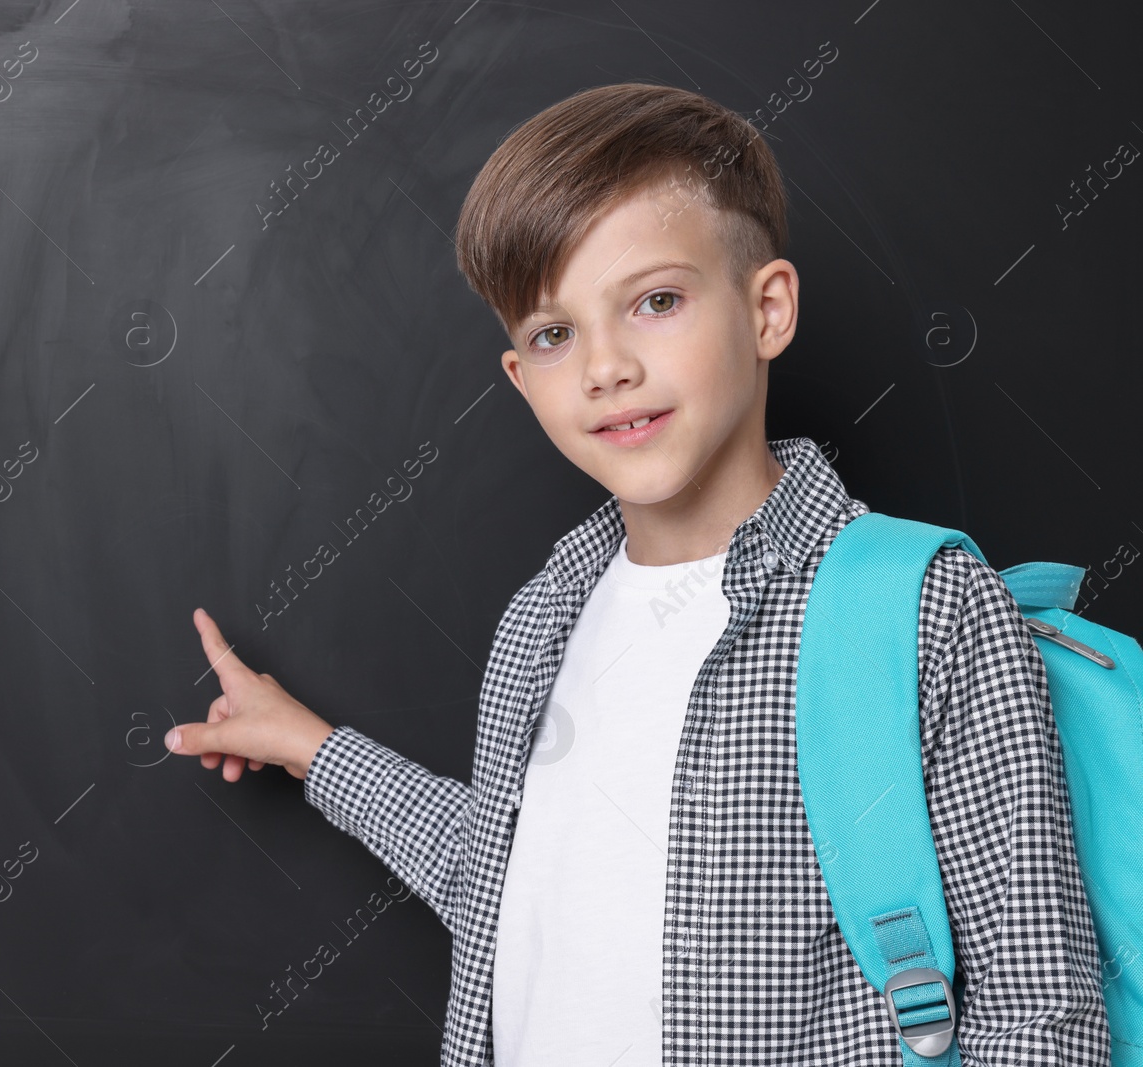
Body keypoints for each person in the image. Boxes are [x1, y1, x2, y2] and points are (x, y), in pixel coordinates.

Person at [164, 83, 1109, 1067]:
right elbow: (509, 884)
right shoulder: (542, 615)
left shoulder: (923, 609)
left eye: (655, 300)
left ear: (766, 308)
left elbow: (1040, 1013)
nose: (603, 366)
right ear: (521, 380)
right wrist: (313, 748)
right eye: (553, 333)